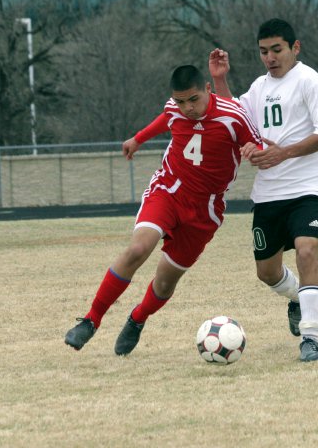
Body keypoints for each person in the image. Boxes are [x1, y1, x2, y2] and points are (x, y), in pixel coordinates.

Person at [64, 65, 261, 353]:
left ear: (208, 89)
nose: (187, 108)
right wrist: (137, 139)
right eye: (181, 101)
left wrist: (254, 150)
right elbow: (165, 119)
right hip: (168, 190)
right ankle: (91, 320)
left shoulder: (233, 116)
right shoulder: (175, 108)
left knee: (165, 283)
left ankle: (137, 318)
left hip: (205, 210)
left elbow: (256, 144)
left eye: (193, 99)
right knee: (137, 249)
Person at [208, 18, 318, 362]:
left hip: (307, 189)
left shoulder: (308, 81)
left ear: (294, 47)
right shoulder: (259, 88)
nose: (270, 57)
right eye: (263, 52)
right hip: (268, 193)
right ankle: (298, 298)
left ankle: (311, 338)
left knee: (306, 253)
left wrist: (282, 152)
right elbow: (236, 119)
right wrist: (219, 80)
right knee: (267, 272)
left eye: (277, 49)